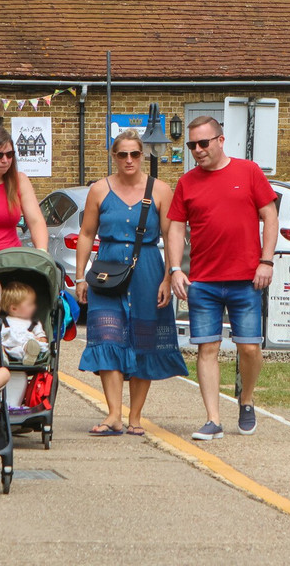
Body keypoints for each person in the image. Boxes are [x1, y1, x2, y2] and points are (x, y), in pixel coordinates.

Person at [167, 116, 278, 441]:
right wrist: (175, 268)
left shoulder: (249, 171)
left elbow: (269, 215)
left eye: (203, 143)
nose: (198, 150)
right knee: (207, 349)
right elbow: (175, 226)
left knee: (249, 349)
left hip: (247, 279)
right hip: (203, 281)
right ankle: (213, 419)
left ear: (220, 140)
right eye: (192, 145)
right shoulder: (187, 183)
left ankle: (245, 399)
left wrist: (266, 261)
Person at [76, 129, 187, 437]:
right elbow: (86, 235)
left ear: (142, 156)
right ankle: (113, 415)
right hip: (106, 271)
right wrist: (79, 277)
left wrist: (168, 276)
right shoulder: (99, 190)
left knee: (144, 339)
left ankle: (135, 417)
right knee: (108, 336)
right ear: (114, 156)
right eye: (122, 154)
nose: (129, 160)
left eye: (135, 154)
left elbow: (171, 235)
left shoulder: (161, 189)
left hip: (148, 269)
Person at [0, 126, 48, 255]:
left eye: (10, 154)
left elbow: (36, 221)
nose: (5, 160)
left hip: (13, 258)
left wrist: (41, 251)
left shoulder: (20, 181)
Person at [0, 281, 48, 366]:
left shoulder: (34, 323)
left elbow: (43, 337)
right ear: (14, 308)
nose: (34, 306)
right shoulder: (4, 321)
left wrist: (39, 339)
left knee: (31, 345)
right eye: (30, 304)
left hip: (24, 346)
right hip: (7, 346)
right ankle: (1, 356)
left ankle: (29, 356)